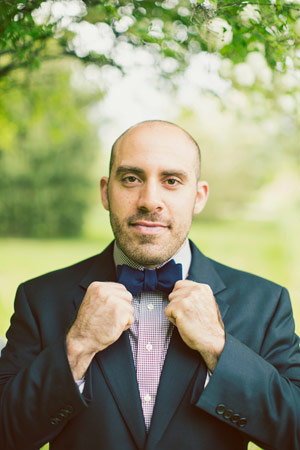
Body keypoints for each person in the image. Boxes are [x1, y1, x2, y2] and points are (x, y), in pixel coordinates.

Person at [0, 120, 299, 450]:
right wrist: (78, 345)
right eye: (131, 178)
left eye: (171, 181)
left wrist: (218, 347)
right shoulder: (39, 299)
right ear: (105, 192)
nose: (149, 200)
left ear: (198, 197)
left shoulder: (266, 304)